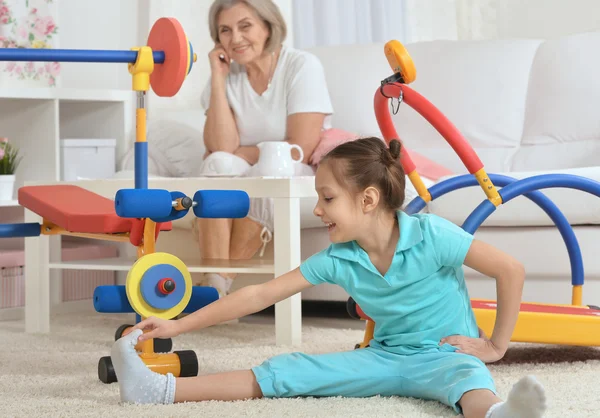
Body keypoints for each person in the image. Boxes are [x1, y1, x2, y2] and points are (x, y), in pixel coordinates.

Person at [111, 137, 547, 418]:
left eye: (327, 198)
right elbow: (259, 294)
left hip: (444, 353)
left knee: (469, 383)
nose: (318, 210)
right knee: (288, 372)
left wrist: (495, 346)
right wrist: (177, 324)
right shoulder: (338, 259)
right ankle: (159, 391)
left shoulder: (433, 235)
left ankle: (500, 416)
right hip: (383, 358)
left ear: (368, 200)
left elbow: (511, 269)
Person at [194, 0, 333, 297]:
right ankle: (215, 288)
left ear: (269, 27)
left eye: (245, 26)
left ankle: (216, 289)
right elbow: (220, 148)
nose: (236, 38)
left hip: (295, 170)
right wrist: (218, 79)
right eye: (225, 31)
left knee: (267, 172)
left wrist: (242, 152)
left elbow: (301, 147)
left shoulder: (301, 65)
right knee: (217, 163)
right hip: (250, 171)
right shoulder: (228, 75)